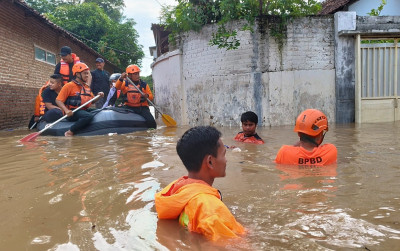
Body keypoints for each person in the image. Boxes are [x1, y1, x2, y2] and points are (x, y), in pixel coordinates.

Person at [155, 126, 245, 241]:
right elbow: (233, 246)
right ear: (210, 161)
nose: (226, 160)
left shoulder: (177, 188)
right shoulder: (210, 209)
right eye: (224, 154)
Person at [56, 62, 104, 137]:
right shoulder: (69, 86)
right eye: (85, 73)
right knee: (88, 116)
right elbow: (58, 100)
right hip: (72, 112)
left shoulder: (86, 87)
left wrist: (98, 96)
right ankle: (70, 131)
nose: (87, 76)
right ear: (78, 74)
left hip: (83, 110)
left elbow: (92, 101)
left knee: (100, 111)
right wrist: (66, 110)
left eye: (87, 73)